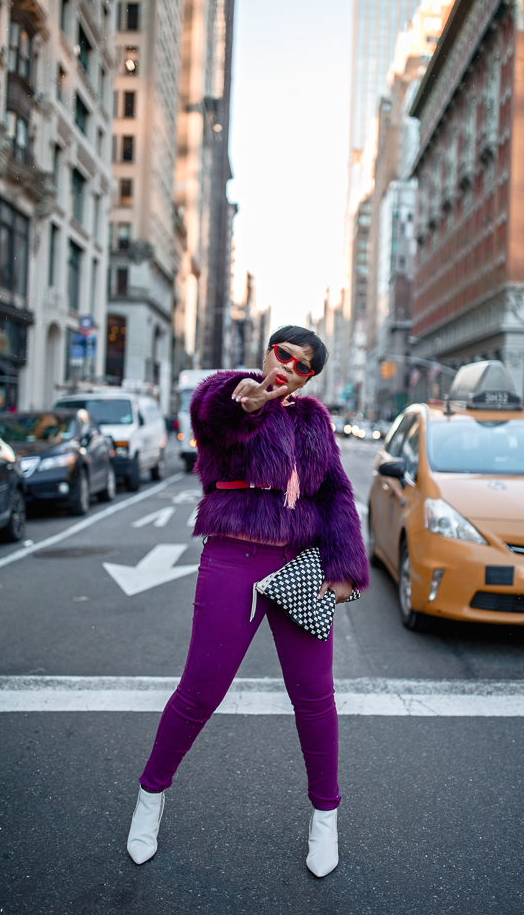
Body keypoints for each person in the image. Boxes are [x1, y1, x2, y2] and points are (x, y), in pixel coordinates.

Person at [127, 325, 368, 876]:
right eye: (281, 354)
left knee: (315, 698)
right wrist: (251, 406)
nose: (286, 367)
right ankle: (150, 797)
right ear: (267, 352)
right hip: (233, 555)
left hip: (300, 563)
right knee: (200, 691)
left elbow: (333, 492)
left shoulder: (312, 422)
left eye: (301, 365)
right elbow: (213, 419)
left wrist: (345, 566)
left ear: (310, 377)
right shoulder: (229, 391)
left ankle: (325, 818)